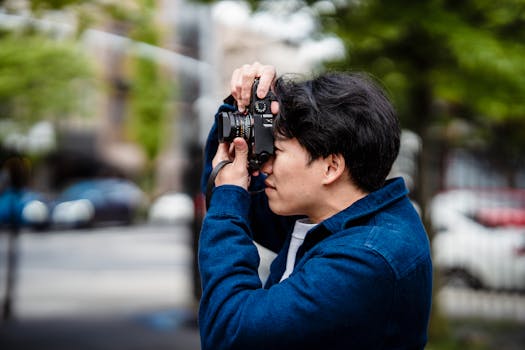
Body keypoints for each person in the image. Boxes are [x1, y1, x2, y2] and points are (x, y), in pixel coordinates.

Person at [198, 62, 432, 350]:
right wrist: (241, 106)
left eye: (277, 150)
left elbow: (230, 332)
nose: (266, 164)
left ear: (331, 167)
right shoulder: (335, 216)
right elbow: (226, 192)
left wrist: (229, 193)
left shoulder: (366, 258)